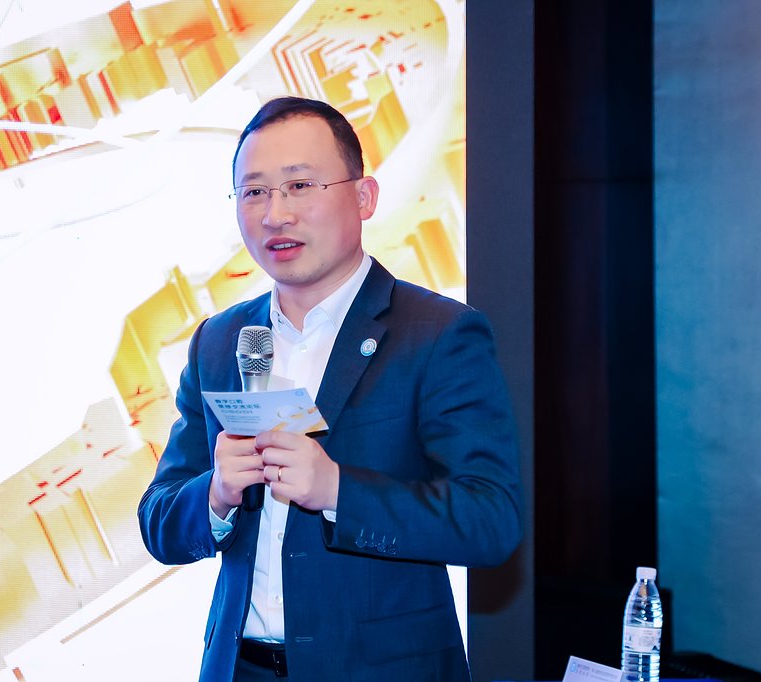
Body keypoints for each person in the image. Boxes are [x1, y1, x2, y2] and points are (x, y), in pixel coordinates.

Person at [137, 96, 522, 681]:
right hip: (240, 669)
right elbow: (159, 520)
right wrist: (215, 493)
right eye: (254, 192)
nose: (275, 214)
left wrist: (338, 489)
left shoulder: (438, 334)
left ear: (363, 197)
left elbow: (490, 521)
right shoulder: (219, 342)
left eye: (300, 186)